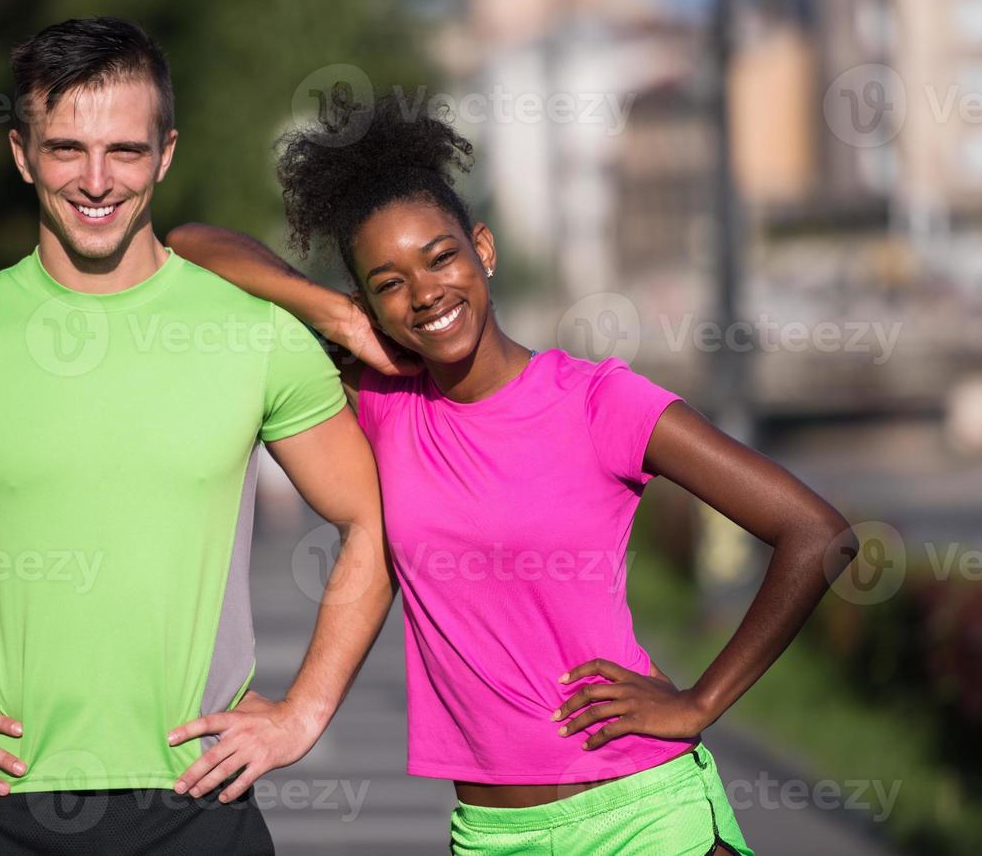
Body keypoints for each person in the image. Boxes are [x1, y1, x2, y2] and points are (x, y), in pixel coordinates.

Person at [0, 18, 395, 855]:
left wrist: (303, 711)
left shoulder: (255, 336)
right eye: (66, 150)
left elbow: (374, 520)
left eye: (125, 151)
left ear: (165, 154)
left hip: (199, 808)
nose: (96, 180)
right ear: (22, 154)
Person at [166, 90, 861, 855]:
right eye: (389, 282)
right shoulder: (382, 399)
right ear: (366, 299)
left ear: (483, 250)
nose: (426, 293)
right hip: (489, 832)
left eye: (441, 257)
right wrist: (331, 314)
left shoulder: (599, 403)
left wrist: (699, 703)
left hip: (640, 814)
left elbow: (816, 533)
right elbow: (192, 242)